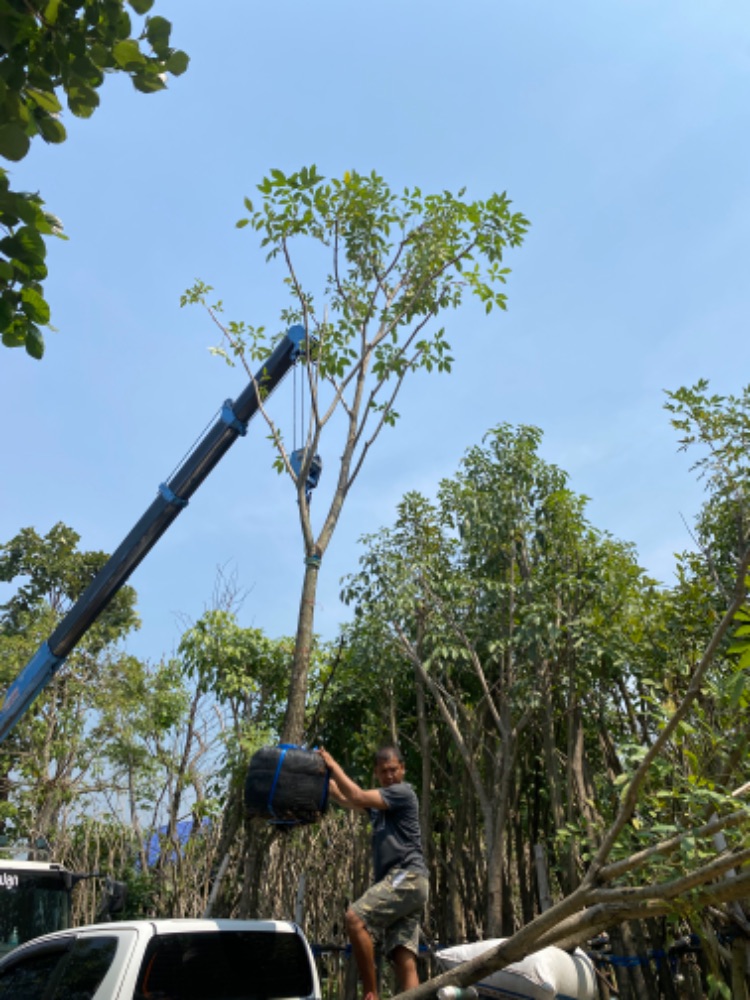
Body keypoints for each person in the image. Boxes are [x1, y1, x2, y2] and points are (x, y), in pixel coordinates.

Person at [316, 744, 429, 1000]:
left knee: (355, 918)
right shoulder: (379, 804)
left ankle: (370, 993)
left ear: (402, 769)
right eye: (383, 772)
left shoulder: (403, 793)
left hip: (407, 876)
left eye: (393, 770)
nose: (389, 776)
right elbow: (344, 797)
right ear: (376, 773)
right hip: (407, 883)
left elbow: (355, 795)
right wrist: (323, 778)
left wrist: (333, 764)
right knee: (403, 955)